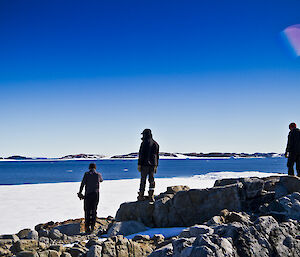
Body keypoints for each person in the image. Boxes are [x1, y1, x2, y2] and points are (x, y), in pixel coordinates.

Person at [77, 163, 103, 233]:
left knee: (87, 210)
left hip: (88, 194)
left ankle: (87, 227)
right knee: (94, 210)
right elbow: (101, 180)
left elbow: (82, 184)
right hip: (96, 194)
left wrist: (80, 192)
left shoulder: (86, 174)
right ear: (95, 167)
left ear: (89, 168)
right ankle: (92, 226)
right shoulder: (98, 174)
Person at [137, 128, 159, 202]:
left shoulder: (144, 143)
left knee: (143, 180)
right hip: (153, 165)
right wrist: (156, 165)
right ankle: (151, 196)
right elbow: (157, 156)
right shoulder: (156, 144)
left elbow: (141, 154)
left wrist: (139, 164)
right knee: (151, 180)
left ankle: (141, 195)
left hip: (144, 164)